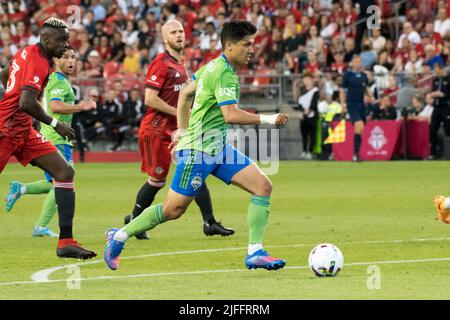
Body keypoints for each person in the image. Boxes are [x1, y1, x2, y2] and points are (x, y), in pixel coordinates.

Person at [104, 20, 289, 271]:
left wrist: (181, 129)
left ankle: (255, 252)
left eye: (252, 44)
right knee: (172, 210)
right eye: (246, 44)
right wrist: (269, 118)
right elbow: (230, 115)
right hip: (198, 150)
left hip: (218, 147)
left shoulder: (211, 66)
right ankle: (118, 237)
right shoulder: (223, 72)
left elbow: (185, 94)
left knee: (262, 186)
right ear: (230, 46)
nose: (251, 50)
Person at [122, 20, 234, 240]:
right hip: (156, 130)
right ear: (165, 39)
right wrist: (179, 113)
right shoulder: (160, 63)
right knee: (157, 180)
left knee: (196, 167)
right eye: (173, 32)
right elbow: (150, 99)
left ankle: (209, 222)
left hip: (177, 130)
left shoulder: (181, 63)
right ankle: (134, 221)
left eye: (181, 31)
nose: (179, 35)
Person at [0, 18, 96, 259]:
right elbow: (26, 101)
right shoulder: (38, 62)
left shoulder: (25, 52)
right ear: (46, 39)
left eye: (68, 39)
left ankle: (65, 243)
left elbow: (5, 75)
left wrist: (12, 101)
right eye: (62, 40)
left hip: (23, 130)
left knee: (64, 173)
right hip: (5, 130)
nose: (66, 45)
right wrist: (55, 123)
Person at [340, 55, 372, 161]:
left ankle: (356, 153)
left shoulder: (363, 76)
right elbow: (342, 90)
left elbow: (366, 88)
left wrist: (371, 97)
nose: (358, 64)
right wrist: (342, 105)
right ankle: (355, 155)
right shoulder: (348, 75)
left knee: (360, 129)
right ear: (352, 63)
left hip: (361, 105)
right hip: (351, 104)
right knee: (359, 125)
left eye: (359, 62)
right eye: (356, 62)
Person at [429, 62, 450, 158]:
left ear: (441, 69)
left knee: (448, 129)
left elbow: (446, 93)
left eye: (437, 70)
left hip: (446, 107)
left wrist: (443, 95)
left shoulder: (448, 79)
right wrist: (432, 95)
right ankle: (433, 153)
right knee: (432, 129)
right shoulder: (436, 80)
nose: (435, 72)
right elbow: (433, 91)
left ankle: (447, 153)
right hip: (436, 107)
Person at [297, 72, 319, 160]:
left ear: (312, 80)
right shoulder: (302, 91)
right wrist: (303, 112)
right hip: (303, 116)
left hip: (312, 116)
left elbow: (314, 103)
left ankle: (310, 151)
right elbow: (299, 103)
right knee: (304, 135)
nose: (306, 82)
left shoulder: (315, 90)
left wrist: (308, 111)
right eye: (305, 80)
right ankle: (304, 151)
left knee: (312, 135)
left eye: (308, 80)